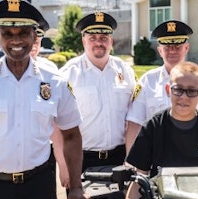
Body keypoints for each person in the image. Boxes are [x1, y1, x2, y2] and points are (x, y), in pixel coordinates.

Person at [0, 1, 90, 199]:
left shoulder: (55, 83)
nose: (16, 40)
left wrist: (76, 187)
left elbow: (71, 135)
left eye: (23, 32)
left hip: (38, 190)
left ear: (34, 36)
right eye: (8, 33)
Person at [121, 61, 198, 199]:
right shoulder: (153, 126)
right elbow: (139, 180)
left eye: (192, 91)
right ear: (168, 90)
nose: (184, 97)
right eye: (178, 90)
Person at [125, 20, 198, 167]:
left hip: (196, 164)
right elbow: (135, 124)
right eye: (167, 47)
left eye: (177, 46)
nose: (172, 51)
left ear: (186, 48)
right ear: (160, 50)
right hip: (157, 164)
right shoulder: (147, 82)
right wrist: (131, 166)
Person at [51, 12, 136, 185]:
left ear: (111, 41)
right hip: (80, 159)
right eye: (93, 37)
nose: (99, 42)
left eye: (104, 37)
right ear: (83, 40)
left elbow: (133, 119)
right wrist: (64, 166)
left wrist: (132, 159)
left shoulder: (125, 71)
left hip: (119, 158)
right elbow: (55, 125)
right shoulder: (68, 74)